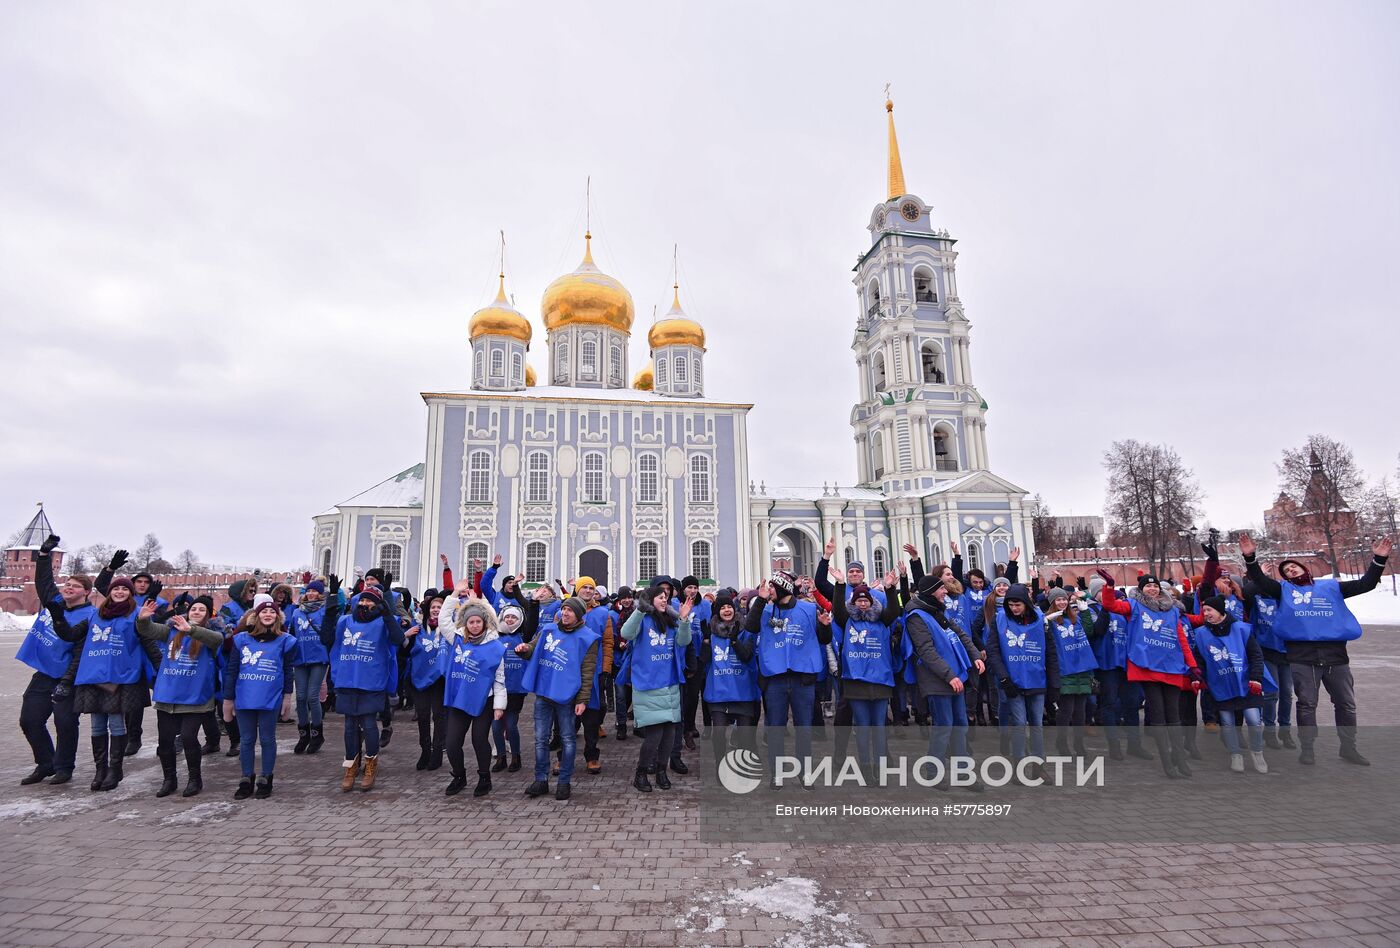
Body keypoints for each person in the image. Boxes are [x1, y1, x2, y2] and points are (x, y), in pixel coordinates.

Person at [1238, 533, 1390, 766]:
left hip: (1335, 656)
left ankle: (1348, 747)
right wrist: (1250, 557)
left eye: (1293, 567)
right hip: (1302, 656)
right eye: (1286, 571)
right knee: (1307, 704)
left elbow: (1365, 584)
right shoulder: (1283, 591)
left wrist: (1378, 560)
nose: (1290, 571)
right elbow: (1260, 580)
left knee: (1346, 704)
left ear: (1304, 569)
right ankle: (1307, 749)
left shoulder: (1330, 588)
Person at [1095, 568, 1201, 779]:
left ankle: (1178, 758)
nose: (1152, 589)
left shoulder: (1172, 611)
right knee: (1159, 716)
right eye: (1147, 586)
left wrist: (1192, 665)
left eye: (1154, 585)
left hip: (1171, 666)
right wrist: (1109, 586)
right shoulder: (1134, 606)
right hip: (1147, 667)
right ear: (1141, 590)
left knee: (1175, 716)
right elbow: (1110, 605)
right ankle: (1167, 764)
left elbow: (1181, 639)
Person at [16, 534, 96, 786]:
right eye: (67, 584)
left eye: (75, 586)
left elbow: (80, 651)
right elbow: (44, 581)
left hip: (67, 678)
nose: (68, 587)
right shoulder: (55, 603)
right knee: (29, 720)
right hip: (43, 674)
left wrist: (67, 681)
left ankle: (64, 767)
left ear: (86, 592)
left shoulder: (90, 616)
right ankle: (45, 762)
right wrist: (43, 556)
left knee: (65, 723)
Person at [743, 571, 834, 787]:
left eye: (773, 587)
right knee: (774, 728)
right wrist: (761, 600)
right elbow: (751, 627)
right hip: (775, 679)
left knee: (804, 728)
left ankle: (805, 773)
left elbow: (824, 639)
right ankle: (777, 774)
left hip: (802, 678)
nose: (769, 590)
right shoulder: (765, 610)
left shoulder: (809, 609)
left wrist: (825, 626)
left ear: (783, 587)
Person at [66, 570, 148, 791]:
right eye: (116, 588)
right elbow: (71, 635)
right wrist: (57, 614)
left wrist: (160, 674)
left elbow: (148, 643)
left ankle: (115, 769)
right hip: (93, 676)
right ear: (109, 592)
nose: (120, 591)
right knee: (97, 724)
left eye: (124, 589)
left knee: (116, 722)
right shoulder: (95, 614)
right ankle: (100, 769)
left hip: (120, 676)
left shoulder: (136, 613)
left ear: (129, 594)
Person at [514, 596, 600, 801]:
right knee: (540, 739)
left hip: (568, 697)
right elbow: (533, 648)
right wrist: (524, 649)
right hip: (544, 692)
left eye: (570, 610)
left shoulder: (588, 638)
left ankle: (564, 781)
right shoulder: (548, 630)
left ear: (578, 614)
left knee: (568, 739)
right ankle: (541, 779)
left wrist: (583, 700)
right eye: (564, 609)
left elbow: (587, 672)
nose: (566, 613)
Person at [904, 575, 983, 789]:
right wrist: (949, 676)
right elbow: (926, 652)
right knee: (944, 726)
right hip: (938, 680)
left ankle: (963, 774)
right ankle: (933, 772)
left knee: (960, 725)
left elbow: (959, 633)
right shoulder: (916, 616)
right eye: (941, 589)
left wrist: (975, 654)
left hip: (955, 677)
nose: (945, 592)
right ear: (931, 592)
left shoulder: (937, 611)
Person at [141, 595, 223, 797]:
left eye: (202, 610)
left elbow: (217, 640)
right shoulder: (172, 631)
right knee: (165, 741)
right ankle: (169, 780)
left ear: (209, 614)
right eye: (193, 609)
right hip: (169, 695)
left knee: (188, 737)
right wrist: (142, 619)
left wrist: (191, 630)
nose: (196, 612)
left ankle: (195, 779)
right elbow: (148, 630)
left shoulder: (211, 633)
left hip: (195, 696)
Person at [326, 578, 404, 791]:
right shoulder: (345, 621)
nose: (365, 604)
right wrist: (332, 599)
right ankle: (351, 765)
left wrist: (387, 612)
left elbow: (398, 640)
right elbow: (326, 636)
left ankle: (371, 763)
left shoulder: (383, 622)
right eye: (363, 601)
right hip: (347, 679)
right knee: (350, 726)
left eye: (371, 602)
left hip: (371, 681)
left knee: (369, 726)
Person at [829, 569, 903, 775]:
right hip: (856, 681)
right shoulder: (847, 621)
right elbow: (837, 609)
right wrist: (841, 584)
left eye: (866, 600)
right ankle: (866, 767)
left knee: (879, 726)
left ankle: (880, 767)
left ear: (871, 602)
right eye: (858, 601)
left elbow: (894, 611)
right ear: (853, 603)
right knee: (862, 726)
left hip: (880, 680)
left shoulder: (882, 620)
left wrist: (890, 588)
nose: (862, 603)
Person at [222, 595, 298, 799]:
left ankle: (266, 778)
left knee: (267, 739)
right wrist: (228, 700)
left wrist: (287, 698)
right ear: (256, 616)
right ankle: (246, 778)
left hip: (270, 697)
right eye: (264, 611)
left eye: (272, 611)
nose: (268, 614)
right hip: (245, 696)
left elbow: (288, 671)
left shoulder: (285, 641)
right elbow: (232, 670)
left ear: (278, 617)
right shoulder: (241, 640)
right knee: (246, 740)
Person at [620, 586, 694, 792]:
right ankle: (641, 773)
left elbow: (683, 641)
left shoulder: (670, 621)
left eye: (666, 597)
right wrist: (640, 609)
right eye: (660, 597)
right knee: (653, 735)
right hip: (648, 684)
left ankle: (661, 771)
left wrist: (684, 619)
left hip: (669, 683)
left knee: (670, 734)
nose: (664, 600)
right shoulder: (642, 620)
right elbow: (625, 633)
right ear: (650, 600)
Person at [1189, 595, 1272, 774]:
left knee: (1254, 720)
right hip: (1221, 685)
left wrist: (1256, 677)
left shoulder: (1241, 629)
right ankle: (1235, 754)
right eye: (1204, 611)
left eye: (1209, 610)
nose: (1206, 614)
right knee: (1227, 722)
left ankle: (1257, 752)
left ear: (1220, 611)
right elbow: (1199, 659)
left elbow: (1255, 656)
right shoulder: (1201, 634)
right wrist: (1197, 676)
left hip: (1246, 683)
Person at [983, 583, 1057, 779]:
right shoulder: (1000, 619)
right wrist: (1003, 677)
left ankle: (1038, 767)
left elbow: (1050, 651)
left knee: (1037, 725)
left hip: (1036, 680)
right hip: (1012, 682)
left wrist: (1055, 682)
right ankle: (1019, 767)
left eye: (1018, 605)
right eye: (1011, 605)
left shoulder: (1040, 620)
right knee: (1019, 724)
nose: (1014, 609)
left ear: (1026, 604)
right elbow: (992, 650)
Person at [437, 594, 507, 797]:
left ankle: (484, 777)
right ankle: (459, 776)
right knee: (452, 742)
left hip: (485, 700)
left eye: (478, 621)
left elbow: (499, 679)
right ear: (465, 623)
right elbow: (443, 620)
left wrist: (499, 706)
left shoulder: (495, 647)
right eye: (471, 621)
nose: (475, 625)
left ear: (484, 623)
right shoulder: (457, 639)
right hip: (460, 699)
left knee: (479, 739)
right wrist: (452, 596)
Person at [1086, 575, 1151, 761]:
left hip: (1126, 663)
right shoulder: (1092, 610)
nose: (1104, 594)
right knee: (1109, 705)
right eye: (1099, 591)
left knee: (1131, 704)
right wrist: (1106, 609)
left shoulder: (1123, 610)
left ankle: (1134, 745)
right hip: (1106, 665)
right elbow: (1096, 631)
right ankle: (1114, 746)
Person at [699, 594, 760, 765]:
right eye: (722, 608)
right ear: (717, 612)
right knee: (718, 733)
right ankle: (720, 763)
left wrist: (734, 641)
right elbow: (703, 661)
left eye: (729, 607)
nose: (727, 610)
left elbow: (747, 656)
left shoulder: (745, 630)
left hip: (742, 691)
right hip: (719, 692)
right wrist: (704, 641)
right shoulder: (711, 635)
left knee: (745, 736)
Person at [1043, 586, 1099, 758]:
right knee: (1066, 709)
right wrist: (1044, 624)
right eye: (1058, 600)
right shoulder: (1050, 620)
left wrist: (1086, 613)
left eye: (1064, 599)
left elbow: (1089, 632)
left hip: (1081, 668)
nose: (1061, 602)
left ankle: (1079, 744)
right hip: (1064, 669)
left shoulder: (1075, 617)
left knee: (1081, 710)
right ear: (1052, 602)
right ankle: (1062, 742)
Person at [491, 592, 539, 772]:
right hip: (498, 688)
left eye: (513, 617)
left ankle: (516, 757)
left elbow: (533, 622)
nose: (510, 620)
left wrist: (534, 603)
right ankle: (501, 758)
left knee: (510, 725)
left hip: (516, 689)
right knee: (496, 726)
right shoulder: (495, 637)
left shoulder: (523, 636)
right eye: (507, 617)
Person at [288, 579, 335, 755]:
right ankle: (303, 733)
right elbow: (292, 634)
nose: (311, 594)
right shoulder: (296, 612)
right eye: (309, 591)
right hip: (300, 658)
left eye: (315, 591)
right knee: (300, 697)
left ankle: (317, 733)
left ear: (321, 593)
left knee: (312, 696)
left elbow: (330, 623)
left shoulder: (323, 610)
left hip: (318, 657)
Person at [407, 591, 448, 771]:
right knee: (422, 715)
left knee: (439, 716)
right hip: (420, 677)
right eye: (433, 607)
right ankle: (425, 750)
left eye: (439, 607)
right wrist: (406, 636)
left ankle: (437, 752)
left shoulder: (448, 629)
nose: (436, 610)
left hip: (440, 679)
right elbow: (406, 650)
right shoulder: (419, 628)